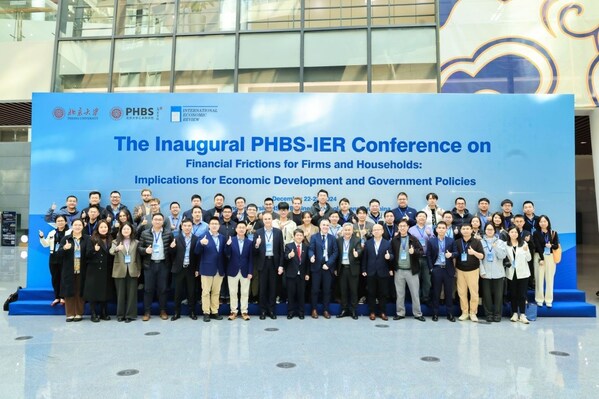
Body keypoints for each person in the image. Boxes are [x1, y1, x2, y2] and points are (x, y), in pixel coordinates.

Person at [138, 213, 175, 321]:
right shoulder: (145, 233)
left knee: (163, 289)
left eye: (160, 219)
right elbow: (139, 248)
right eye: (156, 219)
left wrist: (173, 248)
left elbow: (172, 250)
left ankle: (163, 310)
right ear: (152, 221)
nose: (158, 221)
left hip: (164, 264)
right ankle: (147, 312)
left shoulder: (168, 233)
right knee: (148, 289)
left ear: (163, 221)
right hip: (149, 265)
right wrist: (145, 250)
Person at [391, 220, 425, 322]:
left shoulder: (413, 239)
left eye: (404, 226)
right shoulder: (395, 240)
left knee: (415, 293)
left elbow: (421, 252)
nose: (402, 228)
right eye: (400, 226)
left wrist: (414, 252)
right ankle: (400, 313)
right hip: (399, 271)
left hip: (411, 271)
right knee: (400, 294)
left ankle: (418, 314)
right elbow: (392, 254)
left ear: (408, 227)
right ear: (398, 228)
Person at [57, 219, 89, 322]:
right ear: (72, 226)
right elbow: (59, 254)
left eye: (80, 225)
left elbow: (89, 254)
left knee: (80, 292)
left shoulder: (87, 239)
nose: (78, 227)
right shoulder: (66, 239)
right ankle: (70, 314)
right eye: (75, 225)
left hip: (82, 269)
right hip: (69, 270)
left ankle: (79, 313)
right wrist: (65, 248)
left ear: (83, 226)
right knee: (69, 292)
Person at [253, 213, 284, 319]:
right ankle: (262, 311)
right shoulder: (258, 232)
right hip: (263, 263)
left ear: (272, 220)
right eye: (265, 219)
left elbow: (281, 250)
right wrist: (257, 244)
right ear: (263, 220)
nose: (267, 220)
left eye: (269, 219)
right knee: (262, 288)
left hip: (274, 263)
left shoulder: (278, 232)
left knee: (273, 288)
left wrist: (281, 265)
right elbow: (254, 251)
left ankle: (271, 310)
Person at [195, 217, 227, 322]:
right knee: (205, 292)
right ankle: (206, 312)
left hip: (219, 269)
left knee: (216, 292)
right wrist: (201, 244)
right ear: (209, 225)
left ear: (219, 226)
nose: (214, 225)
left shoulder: (222, 237)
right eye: (212, 223)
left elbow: (224, 253)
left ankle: (214, 311)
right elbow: (196, 252)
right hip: (206, 268)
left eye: (216, 224)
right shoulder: (203, 236)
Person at [361, 223, 394, 321]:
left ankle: (382, 312)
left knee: (383, 293)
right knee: (371, 293)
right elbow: (364, 258)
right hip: (370, 272)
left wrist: (390, 257)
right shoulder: (368, 243)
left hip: (383, 272)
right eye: (374, 230)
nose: (376, 231)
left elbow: (392, 256)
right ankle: (372, 312)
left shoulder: (387, 243)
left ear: (382, 231)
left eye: (378, 229)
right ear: (372, 232)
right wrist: (363, 269)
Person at [84, 220, 114, 322]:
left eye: (105, 227)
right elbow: (87, 254)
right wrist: (94, 250)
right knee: (93, 292)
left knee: (104, 292)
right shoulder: (91, 239)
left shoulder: (111, 238)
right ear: (97, 228)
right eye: (101, 227)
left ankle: (103, 313)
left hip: (106, 270)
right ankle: (93, 314)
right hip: (94, 270)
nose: (103, 229)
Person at [110, 222, 140, 322]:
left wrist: (139, 269)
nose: (126, 231)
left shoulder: (136, 242)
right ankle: (120, 315)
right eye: (124, 229)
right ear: (121, 231)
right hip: (119, 270)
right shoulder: (115, 241)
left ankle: (130, 315)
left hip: (133, 270)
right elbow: (111, 251)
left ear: (131, 230)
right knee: (120, 294)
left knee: (132, 294)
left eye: (128, 229)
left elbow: (138, 257)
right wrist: (117, 249)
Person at [426, 221, 456, 322]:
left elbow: (457, 253)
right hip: (437, 268)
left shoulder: (451, 240)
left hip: (448, 269)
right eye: (440, 228)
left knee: (448, 292)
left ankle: (450, 314)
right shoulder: (431, 241)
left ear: (446, 229)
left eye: (444, 228)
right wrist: (431, 268)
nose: (442, 229)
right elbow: (428, 255)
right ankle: (435, 314)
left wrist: (451, 255)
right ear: (437, 229)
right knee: (436, 292)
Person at [308, 219, 339, 319]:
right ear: (320, 226)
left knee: (327, 290)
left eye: (327, 225)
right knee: (315, 290)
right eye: (323, 225)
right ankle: (314, 310)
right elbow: (311, 249)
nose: (325, 226)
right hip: (316, 266)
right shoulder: (314, 237)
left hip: (328, 267)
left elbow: (335, 253)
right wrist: (311, 256)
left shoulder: (333, 238)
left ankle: (326, 310)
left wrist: (329, 264)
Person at [170, 219, 199, 321]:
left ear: (192, 227)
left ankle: (192, 312)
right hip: (179, 269)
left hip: (191, 269)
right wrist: (172, 248)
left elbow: (198, 256)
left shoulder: (196, 239)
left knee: (191, 292)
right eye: (185, 225)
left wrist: (197, 269)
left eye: (189, 225)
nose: (187, 227)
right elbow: (171, 255)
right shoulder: (176, 238)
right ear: (181, 226)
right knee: (177, 292)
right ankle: (176, 313)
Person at [454, 223, 484, 322]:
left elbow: (482, 256)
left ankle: (473, 313)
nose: (466, 230)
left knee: (474, 293)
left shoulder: (477, 242)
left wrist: (474, 253)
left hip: (473, 270)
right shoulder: (457, 242)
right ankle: (465, 312)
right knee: (462, 293)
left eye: (468, 229)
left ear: (471, 230)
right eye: (464, 229)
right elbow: (455, 256)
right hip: (460, 270)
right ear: (461, 230)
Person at [225, 221, 253, 321]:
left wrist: (250, 272)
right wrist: (227, 246)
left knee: (245, 292)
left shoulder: (249, 242)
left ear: (246, 230)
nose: (241, 229)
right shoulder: (230, 240)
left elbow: (251, 259)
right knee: (233, 292)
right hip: (232, 270)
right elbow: (226, 255)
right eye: (239, 227)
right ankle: (233, 312)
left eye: (243, 227)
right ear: (236, 229)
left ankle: (244, 312)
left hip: (245, 271)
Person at [479, 223, 508, 322]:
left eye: (491, 229)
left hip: (498, 273)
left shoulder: (501, 242)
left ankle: (497, 314)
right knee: (486, 296)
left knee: (498, 296)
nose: (489, 231)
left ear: (494, 231)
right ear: (485, 230)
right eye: (487, 229)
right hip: (485, 273)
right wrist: (482, 271)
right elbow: (479, 259)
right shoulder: (481, 242)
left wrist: (495, 247)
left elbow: (503, 256)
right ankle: (489, 314)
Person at [39, 215, 69, 306]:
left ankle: (63, 297)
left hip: (65, 256)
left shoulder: (69, 232)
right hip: (53, 257)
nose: (60, 222)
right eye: (58, 221)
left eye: (62, 220)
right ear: (55, 223)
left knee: (64, 277)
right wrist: (41, 237)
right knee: (55, 278)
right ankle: (57, 297)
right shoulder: (52, 232)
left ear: (66, 222)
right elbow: (45, 244)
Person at [335, 223, 362, 319]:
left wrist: (357, 254)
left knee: (354, 291)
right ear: (342, 231)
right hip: (342, 268)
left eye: (349, 230)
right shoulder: (338, 240)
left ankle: (353, 310)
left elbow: (359, 250)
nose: (347, 232)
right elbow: (336, 255)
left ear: (352, 231)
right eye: (345, 230)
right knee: (343, 290)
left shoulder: (357, 240)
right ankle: (344, 309)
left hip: (353, 269)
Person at [533, 215, 560, 308]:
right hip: (539, 257)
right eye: (541, 222)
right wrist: (541, 258)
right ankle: (539, 299)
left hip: (550, 257)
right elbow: (537, 246)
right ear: (538, 223)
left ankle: (549, 300)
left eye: (545, 221)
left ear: (548, 222)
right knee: (539, 279)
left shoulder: (553, 233)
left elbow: (557, 246)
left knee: (549, 279)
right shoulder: (536, 233)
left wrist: (551, 246)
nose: (543, 223)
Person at [506, 226, 532, 323]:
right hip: (511, 273)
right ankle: (514, 313)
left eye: (515, 232)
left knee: (522, 294)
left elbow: (529, 259)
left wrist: (526, 251)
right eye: (512, 232)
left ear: (518, 234)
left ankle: (522, 314)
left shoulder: (523, 243)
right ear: (509, 233)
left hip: (523, 273)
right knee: (513, 294)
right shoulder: (505, 245)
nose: (514, 234)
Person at [283, 229, 310, 319]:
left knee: (301, 295)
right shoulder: (288, 246)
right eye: (297, 235)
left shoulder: (306, 247)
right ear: (294, 237)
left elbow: (307, 262)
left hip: (302, 275)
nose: (299, 237)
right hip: (291, 274)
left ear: (303, 237)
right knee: (290, 295)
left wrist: (307, 273)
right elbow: (285, 258)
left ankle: (301, 312)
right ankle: (290, 312)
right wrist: (289, 256)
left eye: (300, 235)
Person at [409, 211, 434, 305]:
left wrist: (429, 235)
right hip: (415, 257)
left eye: (424, 216)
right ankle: (416, 299)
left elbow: (434, 242)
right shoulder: (411, 229)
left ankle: (425, 298)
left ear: (426, 218)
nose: (421, 218)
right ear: (416, 218)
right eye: (420, 216)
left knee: (427, 280)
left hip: (426, 258)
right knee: (415, 280)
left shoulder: (429, 229)